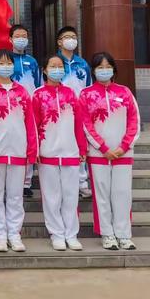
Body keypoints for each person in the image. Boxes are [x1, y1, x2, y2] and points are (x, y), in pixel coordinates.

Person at [0, 49, 37, 253]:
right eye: (1, 63)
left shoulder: (22, 92)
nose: (5, 66)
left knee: (15, 196)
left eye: (8, 63)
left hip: (18, 151)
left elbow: (30, 123)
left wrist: (31, 149)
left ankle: (14, 234)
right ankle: (0, 235)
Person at [80, 52, 140, 251]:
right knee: (102, 194)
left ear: (114, 69)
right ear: (93, 70)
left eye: (108, 67)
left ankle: (124, 234)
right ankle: (107, 234)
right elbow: (86, 124)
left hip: (123, 153)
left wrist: (124, 146)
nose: (104, 71)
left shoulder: (125, 92)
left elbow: (134, 121)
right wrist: (103, 148)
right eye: (100, 67)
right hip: (99, 155)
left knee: (122, 193)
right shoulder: (86, 94)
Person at [32, 54, 86, 251]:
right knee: (52, 196)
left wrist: (82, 147)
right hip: (48, 153)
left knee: (71, 195)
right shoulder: (38, 95)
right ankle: (56, 233)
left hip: (70, 152)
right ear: (45, 70)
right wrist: (35, 148)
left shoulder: (71, 94)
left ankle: (71, 234)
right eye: (53, 66)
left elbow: (79, 123)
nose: (57, 69)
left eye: (60, 66)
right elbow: (33, 125)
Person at [56, 26, 93, 199]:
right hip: (60, 112)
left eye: (73, 36)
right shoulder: (55, 63)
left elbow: (88, 87)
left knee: (80, 146)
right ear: (59, 42)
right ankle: (64, 184)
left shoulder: (83, 64)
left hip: (81, 111)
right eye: (66, 37)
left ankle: (82, 182)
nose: (71, 40)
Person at [9, 24, 41, 198]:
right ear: (10, 39)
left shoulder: (32, 61)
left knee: (29, 143)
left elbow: (37, 84)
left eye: (24, 36)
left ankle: (26, 183)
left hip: (30, 107)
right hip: (11, 108)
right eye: (17, 36)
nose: (21, 39)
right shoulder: (6, 60)